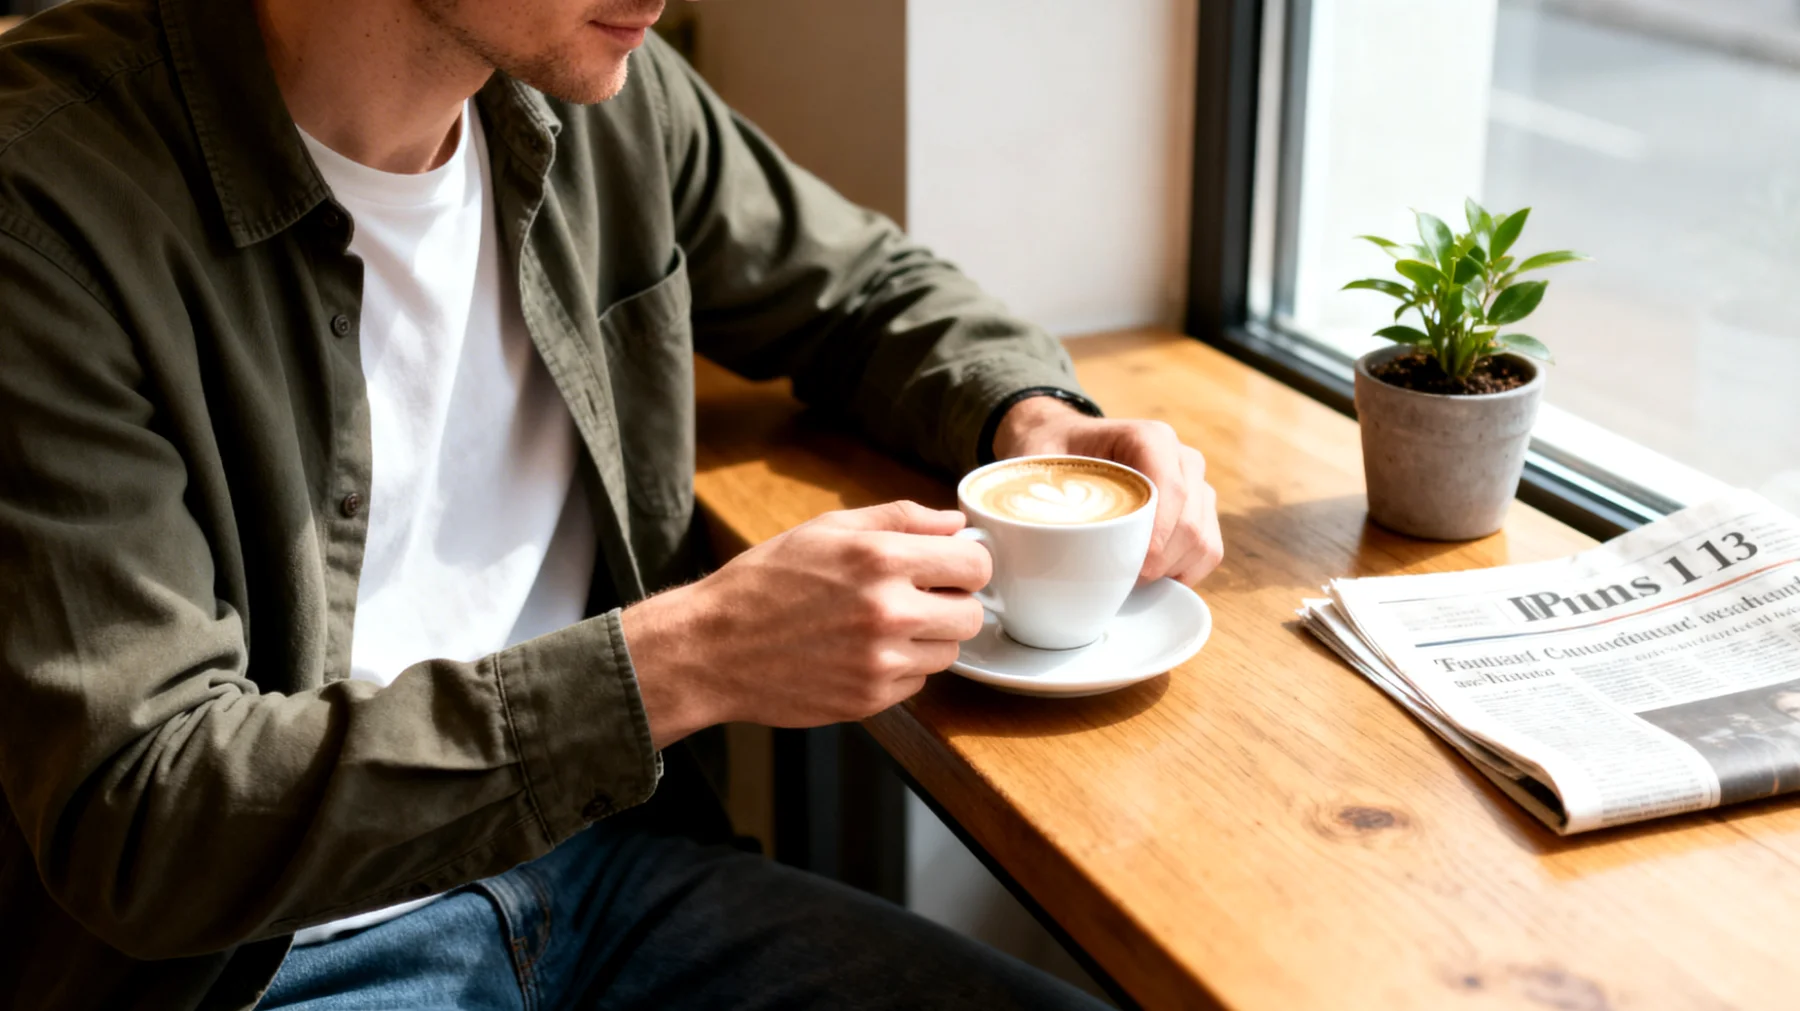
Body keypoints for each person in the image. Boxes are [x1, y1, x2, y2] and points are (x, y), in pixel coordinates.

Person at [0, 0, 1225, 1007]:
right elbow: (142, 816)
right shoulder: (46, 206)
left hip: (609, 876)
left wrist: (1033, 417)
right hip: (281, 963)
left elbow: (861, 287)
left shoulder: (596, 90)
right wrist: (687, 660)